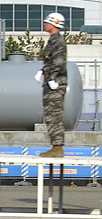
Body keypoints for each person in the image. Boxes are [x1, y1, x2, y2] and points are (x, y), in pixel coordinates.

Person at [38, 12, 67, 158]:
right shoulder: (52, 40)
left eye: (47, 22)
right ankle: (55, 145)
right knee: (50, 114)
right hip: (50, 81)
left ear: (54, 23)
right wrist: (42, 71)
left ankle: (57, 147)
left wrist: (51, 77)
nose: (45, 24)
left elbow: (59, 62)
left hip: (55, 82)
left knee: (54, 114)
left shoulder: (58, 41)